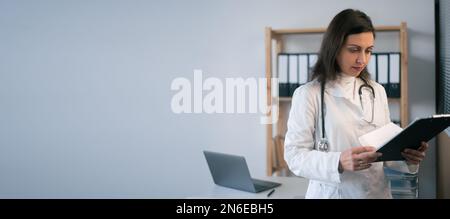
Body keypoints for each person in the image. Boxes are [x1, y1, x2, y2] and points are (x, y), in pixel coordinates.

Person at [284, 9, 429, 199]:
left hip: (377, 193)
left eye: (368, 50)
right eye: (354, 50)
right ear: (334, 47)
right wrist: (338, 161)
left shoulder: (376, 91)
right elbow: (294, 157)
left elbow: (385, 152)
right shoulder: (308, 94)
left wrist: (408, 157)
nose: (362, 59)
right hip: (333, 194)